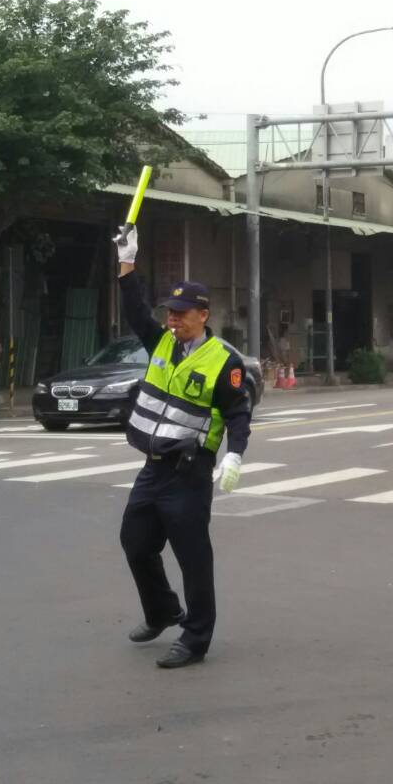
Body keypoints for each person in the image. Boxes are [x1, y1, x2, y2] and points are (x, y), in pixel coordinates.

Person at [115, 226, 253, 669]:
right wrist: (127, 264)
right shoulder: (162, 345)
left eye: (180, 314)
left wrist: (234, 454)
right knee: (135, 543)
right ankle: (162, 612)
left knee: (193, 558)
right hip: (154, 467)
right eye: (170, 313)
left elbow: (238, 413)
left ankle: (195, 638)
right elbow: (135, 311)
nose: (172, 320)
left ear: (203, 314)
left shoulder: (223, 362)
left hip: (190, 473)